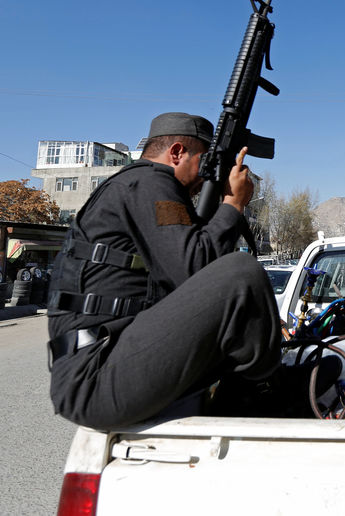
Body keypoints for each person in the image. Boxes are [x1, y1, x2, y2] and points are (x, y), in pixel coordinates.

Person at [46, 112, 285, 430]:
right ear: (176, 153)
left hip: (107, 360)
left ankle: (250, 388)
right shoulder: (150, 181)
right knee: (241, 273)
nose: (204, 177)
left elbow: (188, 280)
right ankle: (268, 390)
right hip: (95, 376)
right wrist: (234, 205)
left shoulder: (138, 188)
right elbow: (196, 268)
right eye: (203, 163)